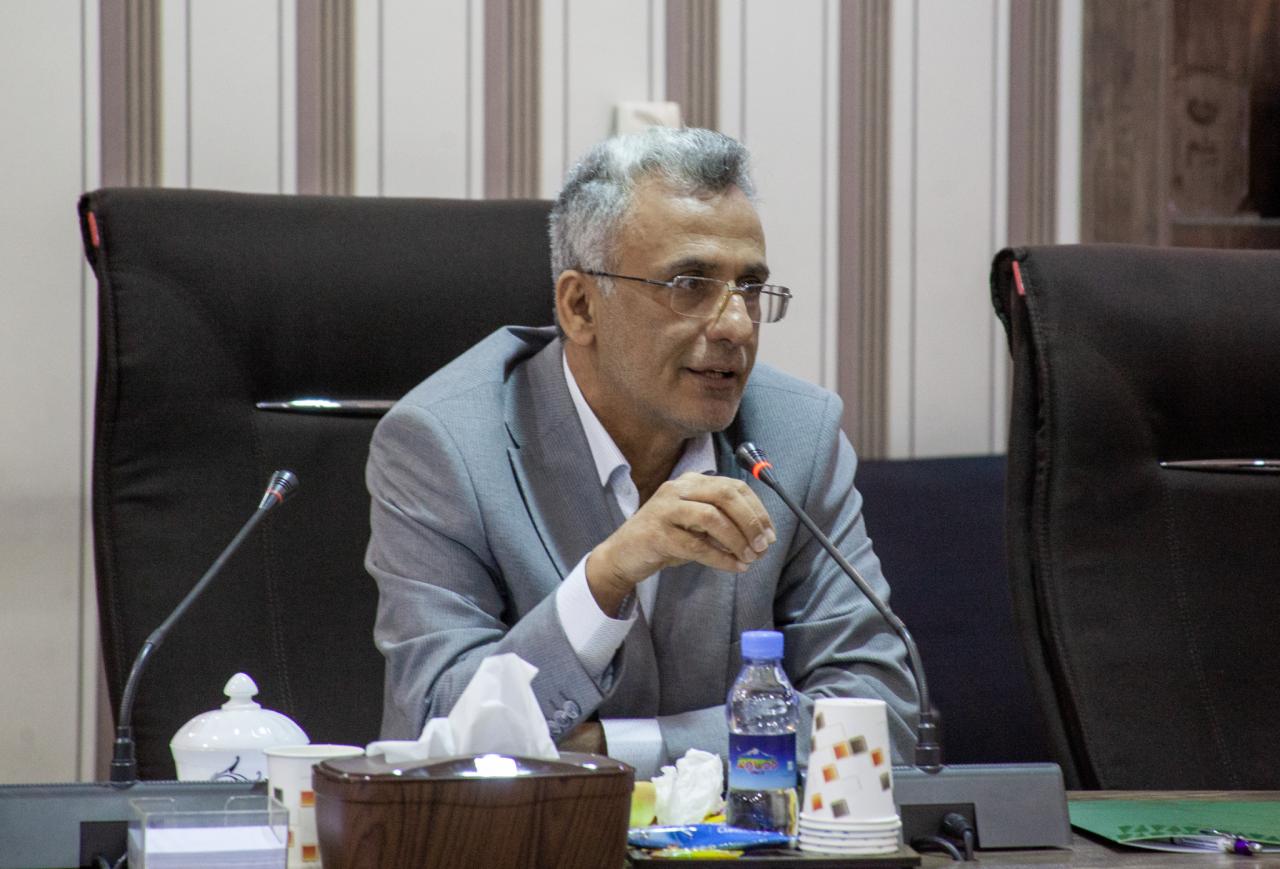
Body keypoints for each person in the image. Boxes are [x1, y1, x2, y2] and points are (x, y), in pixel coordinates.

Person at [365, 127, 918, 778]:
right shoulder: (442, 444)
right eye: (690, 284)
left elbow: (877, 722)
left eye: (750, 288)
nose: (737, 324)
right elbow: (438, 735)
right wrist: (604, 580)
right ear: (580, 307)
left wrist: (616, 748)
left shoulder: (798, 435)